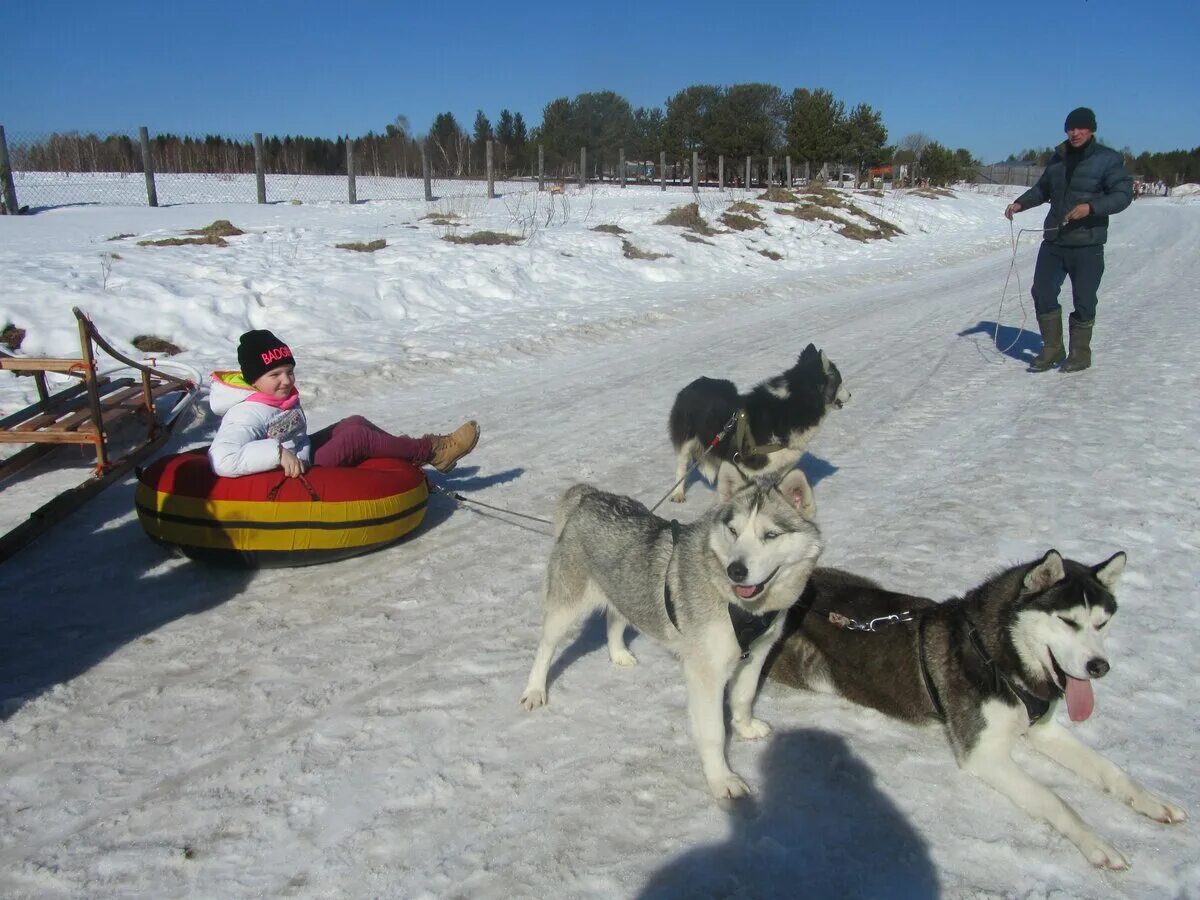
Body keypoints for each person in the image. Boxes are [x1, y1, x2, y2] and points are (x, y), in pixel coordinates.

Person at [209, 329, 479, 478]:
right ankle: (432, 450)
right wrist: (276, 454)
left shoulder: (273, 399)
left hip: (301, 454)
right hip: (289, 473)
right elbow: (224, 459)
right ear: (253, 379)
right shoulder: (246, 413)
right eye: (274, 375)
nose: (286, 381)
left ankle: (411, 461)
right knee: (358, 437)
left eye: (289, 371)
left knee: (354, 423)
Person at [1004, 107, 1132, 372]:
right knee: (1042, 291)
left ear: (1092, 129)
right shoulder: (1058, 157)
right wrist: (1020, 203)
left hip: (1088, 243)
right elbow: (1042, 189)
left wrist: (1091, 208)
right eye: (1071, 128)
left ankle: (1079, 354)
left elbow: (1122, 195)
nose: (1075, 133)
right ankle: (1053, 348)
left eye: (1080, 128)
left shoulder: (1108, 159)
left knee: (1084, 298)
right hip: (1054, 240)